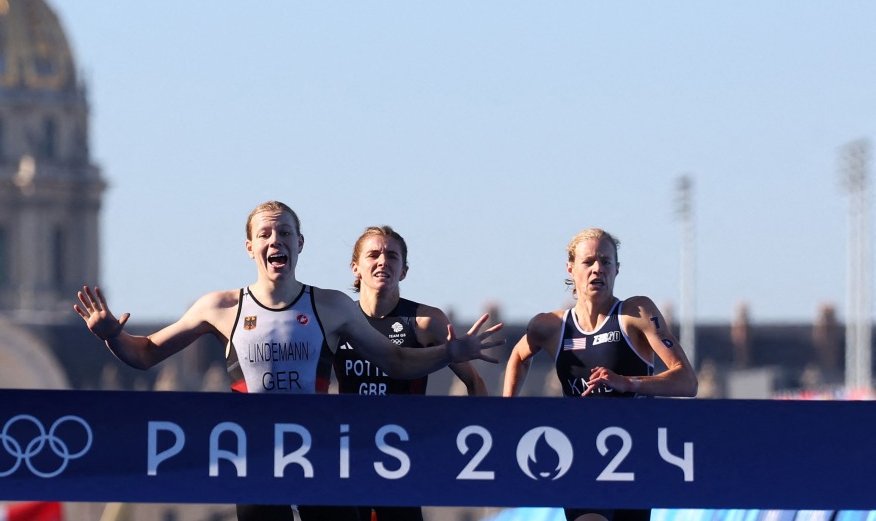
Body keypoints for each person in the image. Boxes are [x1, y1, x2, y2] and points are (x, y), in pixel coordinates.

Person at [74, 200, 504, 521]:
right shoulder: (220, 306)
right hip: (255, 458)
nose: (275, 241)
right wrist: (113, 336)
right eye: (265, 234)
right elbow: (145, 354)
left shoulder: (332, 306)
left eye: (284, 234)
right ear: (249, 247)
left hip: (320, 456)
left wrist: (449, 352)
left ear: (300, 244)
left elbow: (394, 361)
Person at [501, 227, 698, 521]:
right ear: (570, 268)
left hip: (635, 453)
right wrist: (507, 411)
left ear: (617, 269)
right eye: (588, 262)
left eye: (605, 262)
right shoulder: (549, 326)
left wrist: (626, 382)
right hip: (580, 451)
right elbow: (518, 356)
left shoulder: (635, 313)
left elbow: (687, 381)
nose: (597, 269)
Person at [333, 225, 488, 521]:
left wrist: (476, 441)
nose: (383, 262)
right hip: (350, 454)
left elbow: (474, 382)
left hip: (401, 457)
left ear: (403, 270)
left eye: (392, 256)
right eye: (374, 254)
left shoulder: (425, 321)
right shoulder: (337, 321)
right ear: (356, 268)